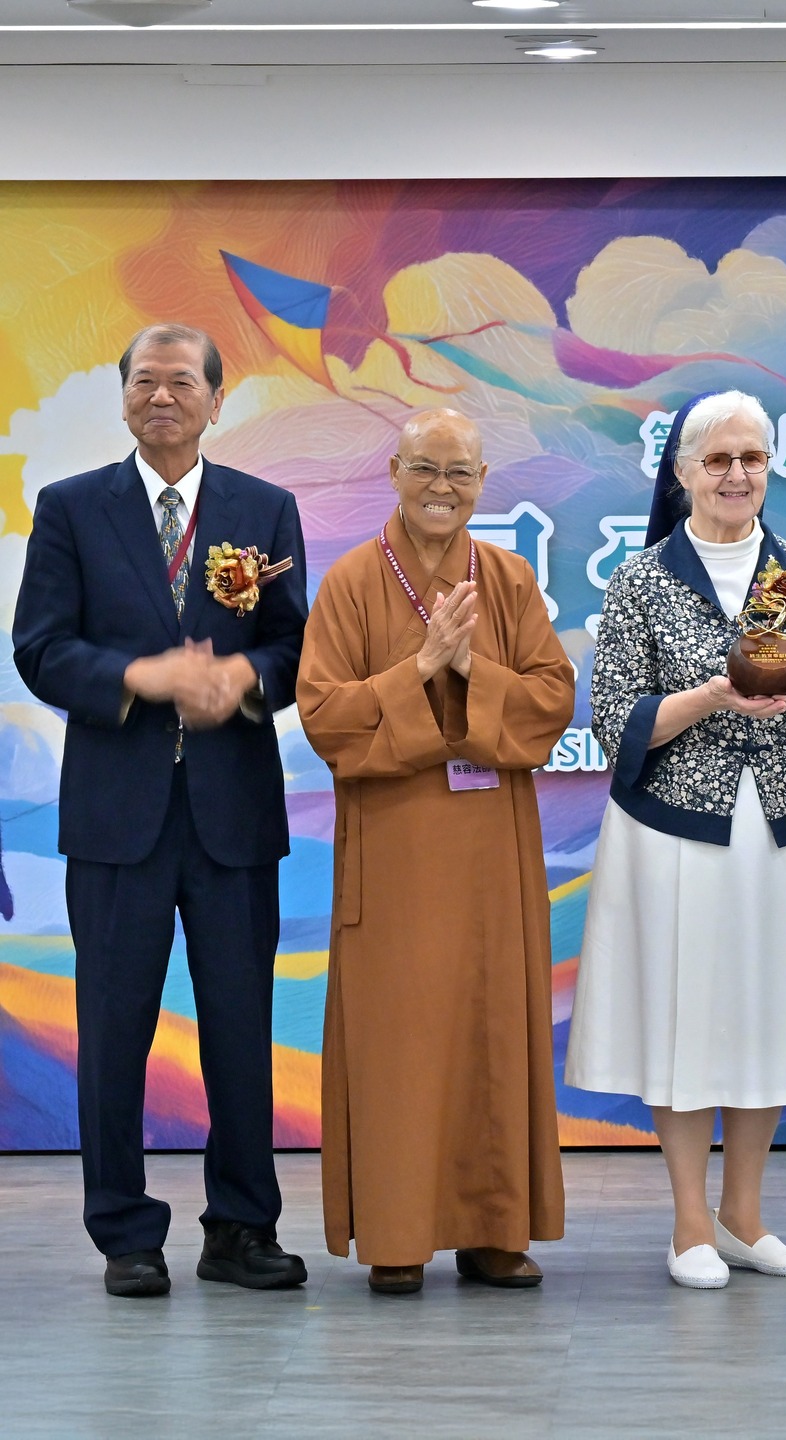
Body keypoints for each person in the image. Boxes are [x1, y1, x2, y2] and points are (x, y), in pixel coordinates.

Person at [12, 323, 309, 1297]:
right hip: (116, 816)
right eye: (146, 381)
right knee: (112, 1031)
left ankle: (241, 1228)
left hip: (231, 815)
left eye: (183, 382)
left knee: (238, 1027)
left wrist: (245, 683)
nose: (163, 397)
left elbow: (294, 648)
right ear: (125, 396)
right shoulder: (71, 509)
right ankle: (125, 1234)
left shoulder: (263, 511)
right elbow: (40, 648)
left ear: (218, 400)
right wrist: (137, 674)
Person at [566, 389, 786, 1289]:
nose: (736, 475)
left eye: (751, 459)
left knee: (771, 1014)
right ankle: (689, 1223)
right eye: (717, 460)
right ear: (681, 473)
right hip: (676, 830)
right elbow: (612, 719)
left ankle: (746, 1216)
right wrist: (713, 691)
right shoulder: (640, 579)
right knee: (684, 1015)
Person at [296, 407, 575, 1296]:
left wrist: (469, 672)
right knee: (400, 1040)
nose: (442, 489)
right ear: (393, 472)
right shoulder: (348, 582)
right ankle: (398, 1234)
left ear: (484, 483)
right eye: (425, 469)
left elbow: (550, 697)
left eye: (460, 473)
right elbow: (323, 717)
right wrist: (417, 670)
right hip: (395, 843)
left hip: (492, 848)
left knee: (492, 1027)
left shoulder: (509, 578)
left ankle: (496, 1231)